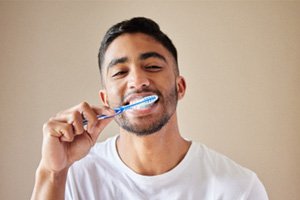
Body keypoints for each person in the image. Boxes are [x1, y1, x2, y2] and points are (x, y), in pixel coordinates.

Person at [31, 17, 268, 200]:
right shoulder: (75, 176)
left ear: (180, 87)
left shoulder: (238, 189)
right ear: (105, 98)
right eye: (120, 72)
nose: (137, 80)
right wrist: (53, 173)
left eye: (153, 66)